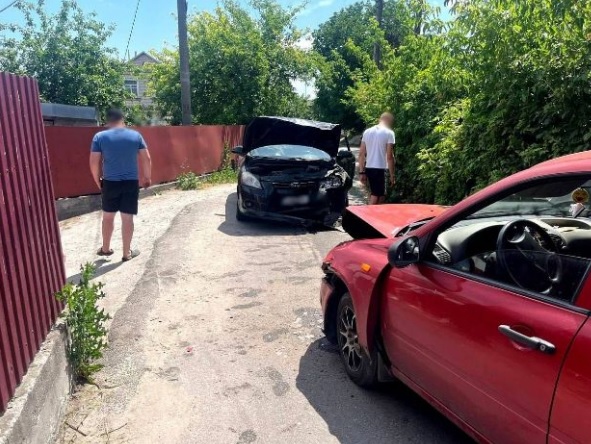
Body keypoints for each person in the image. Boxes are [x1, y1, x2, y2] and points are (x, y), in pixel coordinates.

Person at [89, 108, 152, 262]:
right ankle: (126, 253)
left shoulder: (100, 137)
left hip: (110, 182)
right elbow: (147, 158)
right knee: (127, 218)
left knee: (108, 217)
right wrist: (147, 177)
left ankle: (105, 249)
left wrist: (98, 181)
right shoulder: (135, 135)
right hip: (131, 182)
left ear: (108, 121)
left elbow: (93, 162)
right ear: (122, 119)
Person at [358, 112, 396, 205]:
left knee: (381, 196)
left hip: (369, 168)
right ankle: (366, 218)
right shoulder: (389, 133)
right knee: (376, 196)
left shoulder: (367, 132)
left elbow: (361, 153)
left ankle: (375, 217)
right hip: (381, 169)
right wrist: (392, 175)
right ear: (388, 121)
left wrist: (362, 172)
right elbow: (389, 156)